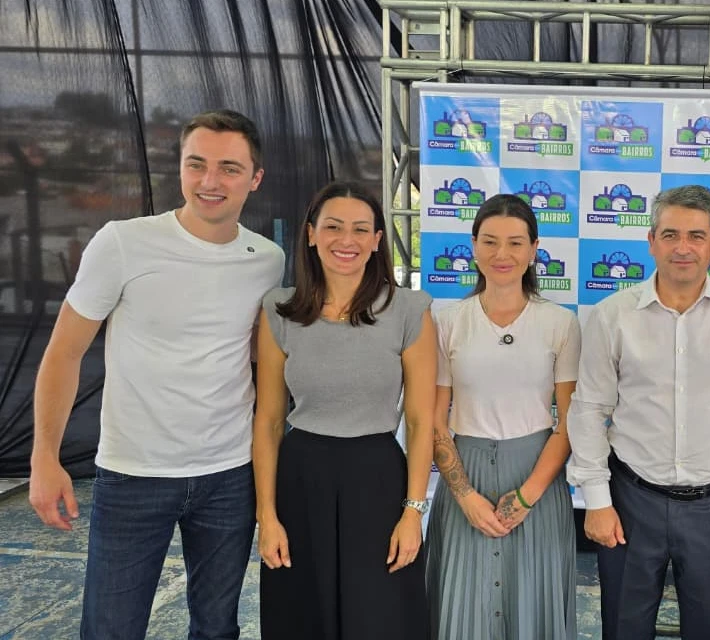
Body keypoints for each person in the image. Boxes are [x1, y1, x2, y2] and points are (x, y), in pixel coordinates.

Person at [27, 109, 285, 639]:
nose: (211, 182)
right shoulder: (123, 242)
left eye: (230, 169)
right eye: (198, 164)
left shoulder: (268, 260)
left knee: (216, 629)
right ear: (181, 169)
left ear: (255, 179)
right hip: (133, 474)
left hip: (229, 475)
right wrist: (44, 457)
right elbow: (63, 353)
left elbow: (261, 366)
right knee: (111, 629)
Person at [567, 184, 710, 640]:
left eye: (695, 236)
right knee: (623, 630)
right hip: (631, 503)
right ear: (651, 241)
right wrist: (597, 500)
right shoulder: (613, 317)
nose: (682, 248)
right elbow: (589, 409)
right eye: (670, 235)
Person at [253, 181, 434, 638]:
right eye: (333, 227)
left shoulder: (409, 310)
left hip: (377, 481)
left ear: (377, 240)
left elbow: (419, 420)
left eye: (360, 229)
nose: (346, 240)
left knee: (379, 616)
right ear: (311, 234)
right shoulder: (279, 310)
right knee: (302, 615)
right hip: (301, 480)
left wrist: (413, 512)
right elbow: (270, 420)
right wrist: (267, 517)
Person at [425, 194, 580, 639]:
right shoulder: (447, 321)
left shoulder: (560, 324)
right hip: (464, 479)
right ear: (473, 246)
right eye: (490, 242)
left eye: (515, 243)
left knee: (533, 601)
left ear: (534, 250)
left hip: (538, 479)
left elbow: (569, 422)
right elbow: (435, 422)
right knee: (463, 608)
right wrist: (466, 496)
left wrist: (527, 497)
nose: (502, 254)